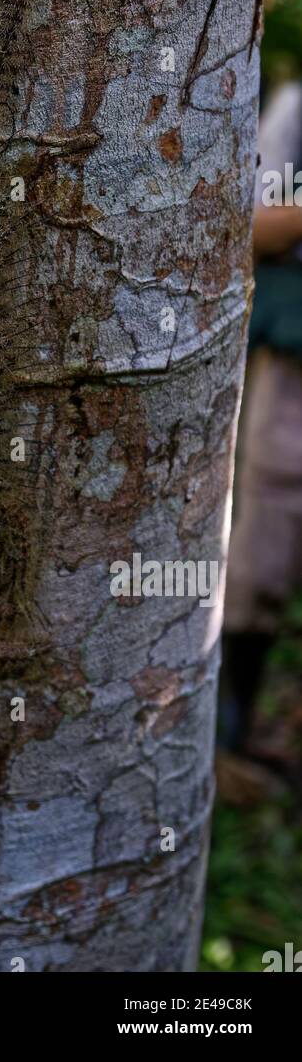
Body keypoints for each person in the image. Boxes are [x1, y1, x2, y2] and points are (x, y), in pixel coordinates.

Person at [220, 80, 302, 766]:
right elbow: (247, 224)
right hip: (293, 375)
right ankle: (232, 737)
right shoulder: (296, 111)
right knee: (263, 558)